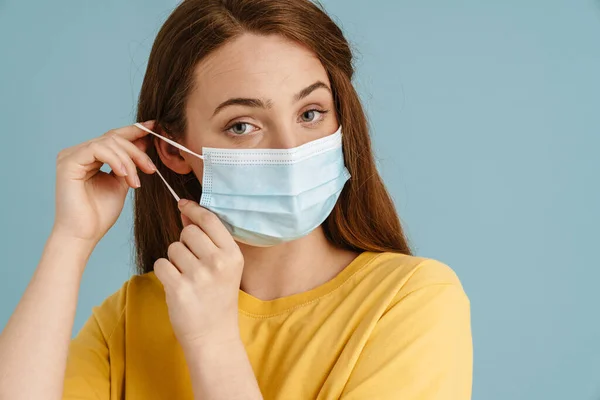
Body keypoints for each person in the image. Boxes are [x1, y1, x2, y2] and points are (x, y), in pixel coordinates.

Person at [0, 0, 472, 399]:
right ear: (172, 150)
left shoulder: (411, 301)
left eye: (311, 113)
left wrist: (211, 340)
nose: (291, 149)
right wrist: (70, 240)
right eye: (242, 125)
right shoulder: (133, 315)